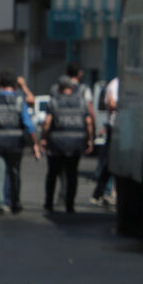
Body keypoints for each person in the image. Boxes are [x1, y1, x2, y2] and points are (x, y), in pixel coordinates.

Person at [0, 70, 39, 215]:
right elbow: (28, 124)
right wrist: (35, 144)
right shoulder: (19, 99)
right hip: (15, 143)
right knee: (14, 173)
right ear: (15, 84)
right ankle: (15, 202)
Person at [41, 76, 94, 214]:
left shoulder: (54, 102)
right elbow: (88, 123)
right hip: (75, 145)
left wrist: (43, 138)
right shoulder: (82, 102)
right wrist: (89, 139)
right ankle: (70, 205)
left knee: (52, 174)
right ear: (72, 88)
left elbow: (47, 123)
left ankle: (49, 203)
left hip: (56, 145)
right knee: (72, 174)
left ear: (59, 88)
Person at [91, 75, 119, 206]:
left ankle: (102, 192)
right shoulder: (114, 84)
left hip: (123, 127)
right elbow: (111, 103)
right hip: (115, 127)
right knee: (109, 163)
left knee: (113, 163)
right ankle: (101, 192)